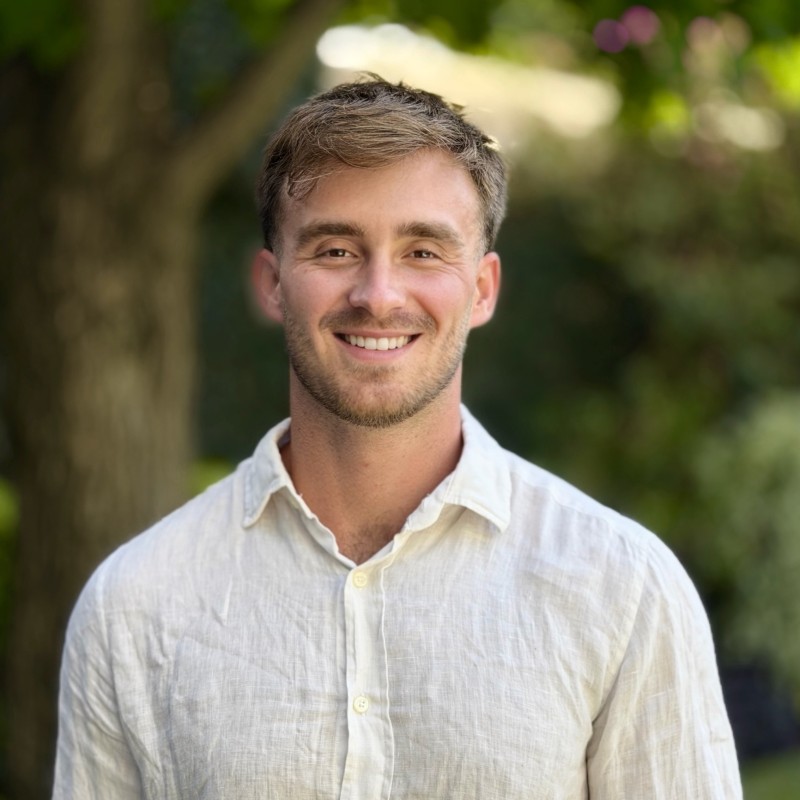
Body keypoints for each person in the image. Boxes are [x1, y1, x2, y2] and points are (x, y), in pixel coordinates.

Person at [53, 77, 742, 799]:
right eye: (335, 250)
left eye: (423, 251)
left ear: (482, 289)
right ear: (272, 283)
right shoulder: (135, 604)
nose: (378, 295)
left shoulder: (622, 589)